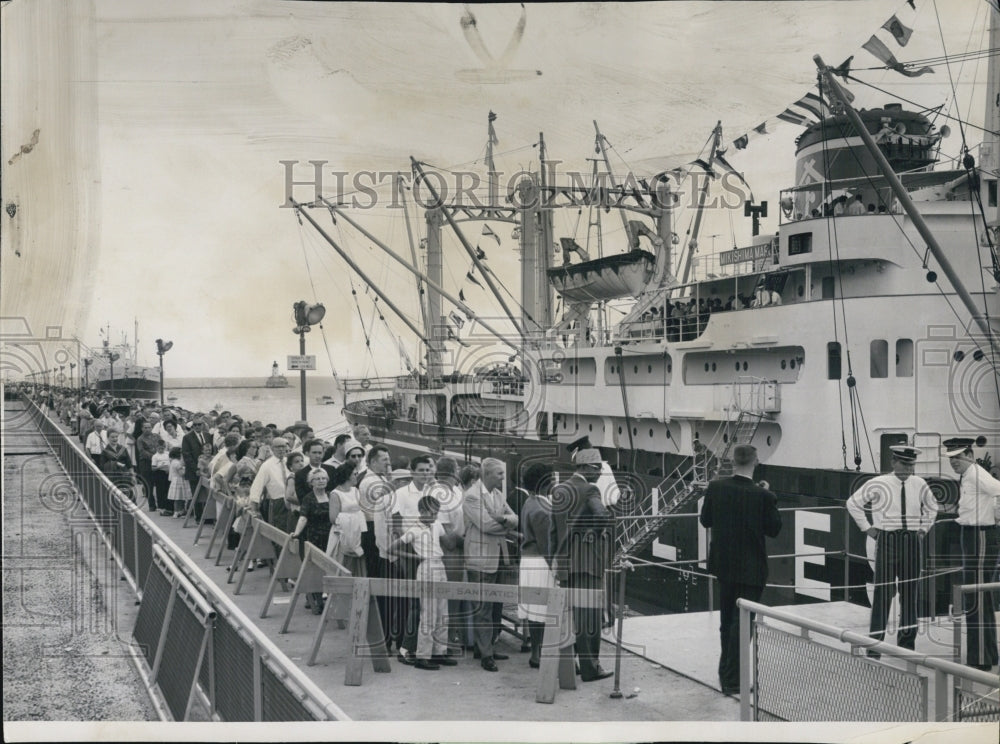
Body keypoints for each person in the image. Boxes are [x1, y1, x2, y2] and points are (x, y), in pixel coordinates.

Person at [699, 443, 782, 693]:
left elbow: (706, 521)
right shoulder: (763, 496)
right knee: (742, 625)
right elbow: (774, 529)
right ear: (755, 462)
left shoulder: (716, 487)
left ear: (733, 462)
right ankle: (733, 681)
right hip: (751, 569)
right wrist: (771, 497)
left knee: (727, 622)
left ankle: (726, 675)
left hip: (723, 565)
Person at [845, 445, 937, 658]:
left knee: (910, 594)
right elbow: (853, 503)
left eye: (911, 465)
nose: (908, 469)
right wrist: (867, 528)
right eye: (904, 464)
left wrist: (923, 529)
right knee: (882, 594)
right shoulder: (879, 483)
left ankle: (906, 647)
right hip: (887, 539)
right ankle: (875, 647)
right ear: (893, 462)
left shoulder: (919, 484)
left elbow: (932, 507)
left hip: (912, 541)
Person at [548, 449, 614, 682]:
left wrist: (554, 562)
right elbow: (603, 516)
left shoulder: (559, 489)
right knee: (590, 618)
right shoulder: (589, 489)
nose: (599, 474)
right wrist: (594, 531)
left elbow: (553, 532)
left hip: (565, 563)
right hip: (587, 561)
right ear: (585, 468)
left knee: (573, 616)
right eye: (597, 469)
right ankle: (590, 667)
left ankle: (574, 662)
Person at [943, 437, 1000, 671]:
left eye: (957, 457)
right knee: (978, 596)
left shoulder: (977, 474)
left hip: (980, 536)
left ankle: (981, 659)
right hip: (970, 534)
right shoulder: (967, 476)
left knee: (976, 594)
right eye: (950, 458)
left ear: (969, 455)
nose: (953, 462)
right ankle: (986, 655)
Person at [389, 495, 460, 670]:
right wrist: (416, 557)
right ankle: (422, 655)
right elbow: (391, 548)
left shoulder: (436, 525)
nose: (435, 516)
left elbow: (446, 542)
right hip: (426, 567)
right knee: (428, 613)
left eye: (437, 513)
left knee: (442, 611)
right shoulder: (414, 529)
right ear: (421, 511)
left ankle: (439, 652)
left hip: (439, 565)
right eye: (432, 513)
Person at [463, 457, 518, 672]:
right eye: (499, 474)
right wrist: (505, 524)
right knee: (483, 608)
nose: (503, 477)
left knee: (495, 605)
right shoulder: (471, 497)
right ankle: (486, 654)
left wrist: (502, 519)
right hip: (480, 559)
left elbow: (516, 517)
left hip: (496, 557)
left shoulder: (496, 494)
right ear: (486, 475)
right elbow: (485, 525)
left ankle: (485, 647)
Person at [517, 461, 554, 669]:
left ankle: (536, 652)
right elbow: (546, 544)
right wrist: (557, 569)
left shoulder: (531, 501)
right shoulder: (542, 509)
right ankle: (539, 653)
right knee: (542, 610)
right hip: (540, 562)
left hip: (529, 561)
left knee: (534, 610)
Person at [290, 469, 333, 614]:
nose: (321, 481)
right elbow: (303, 517)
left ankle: (328, 595)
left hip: (331, 537)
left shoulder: (331, 496)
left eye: (323, 478)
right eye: (317, 479)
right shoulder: (308, 498)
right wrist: (296, 533)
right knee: (315, 568)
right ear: (311, 482)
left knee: (330, 566)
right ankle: (315, 599)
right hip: (315, 537)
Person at [327, 461, 368, 576]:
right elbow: (333, 518)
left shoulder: (355, 490)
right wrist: (352, 519)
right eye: (354, 474)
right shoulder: (335, 494)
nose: (356, 476)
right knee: (342, 563)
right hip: (341, 534)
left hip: (356, 533)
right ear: (347, 475)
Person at [248, 436, 291, 532]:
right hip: (277, 503)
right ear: (272, 448)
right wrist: (254, 508)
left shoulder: (289, 462)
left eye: (283, 447)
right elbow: (257, 486)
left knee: (291, 529)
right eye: (278, 447)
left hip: (292, 501)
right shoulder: (267, 465)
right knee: (279, 530)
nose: (281, 449)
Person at [100, 430, 136, 499]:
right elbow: (102, 466)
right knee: (115, 497)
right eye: (112, 437)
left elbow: (129, 464)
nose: (115, 439)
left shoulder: (123, 449)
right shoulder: (105, 452)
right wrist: (115, 463)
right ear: (108, 438)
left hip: (124, 475)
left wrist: (133, 476)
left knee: (128, 494)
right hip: (113, 477)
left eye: (116, 437)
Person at [167, 446, 192, 517]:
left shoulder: (173, 461)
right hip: (179, 480)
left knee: (180, 497)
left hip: (177, 480)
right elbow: (182, 473)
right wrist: (186, 468)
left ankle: (180, 510)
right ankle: (176, 511)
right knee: (178, 498)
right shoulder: (177, 463)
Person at [151, 438, 172, 516]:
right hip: (159, 474)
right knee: (160, 491)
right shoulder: (155, 456)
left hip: (167, 473)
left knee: (167, 490)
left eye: (162, 448)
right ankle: (161, 508)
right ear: (156, 447)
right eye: (159, 448)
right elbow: (153, 468)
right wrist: (160, 467)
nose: (161, 449)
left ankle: (168, 507)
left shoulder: (167, 454)